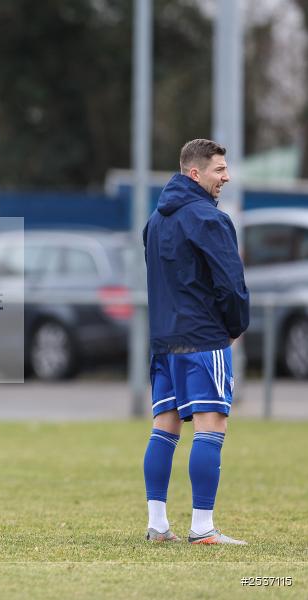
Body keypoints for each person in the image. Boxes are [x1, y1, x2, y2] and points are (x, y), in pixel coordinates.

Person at [142, 138, 250, 545]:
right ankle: (202, 528)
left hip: (163, 341)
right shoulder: (209, 219)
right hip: (203, 338)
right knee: (211, 426)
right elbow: (230, 283)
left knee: (164, 427)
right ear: (195, 173)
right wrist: (235, 327)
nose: (226, 177)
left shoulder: (155, 220)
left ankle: (157, 524)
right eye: (219, 170)